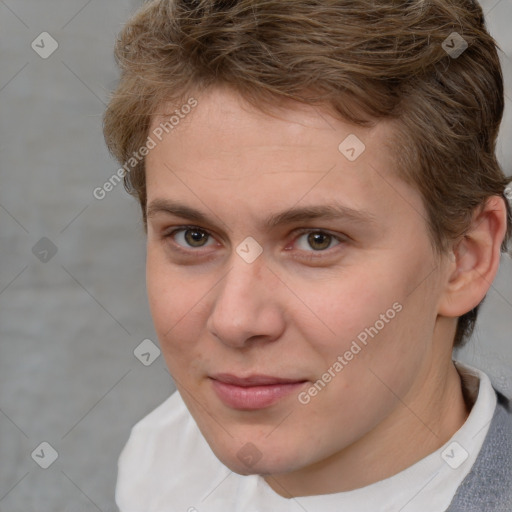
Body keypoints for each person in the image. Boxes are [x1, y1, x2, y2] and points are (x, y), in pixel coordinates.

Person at [102, 0, 512, 510]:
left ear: (465, 258)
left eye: (317, 240)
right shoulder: (162, 457)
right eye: (193, 236)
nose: (234, 320)